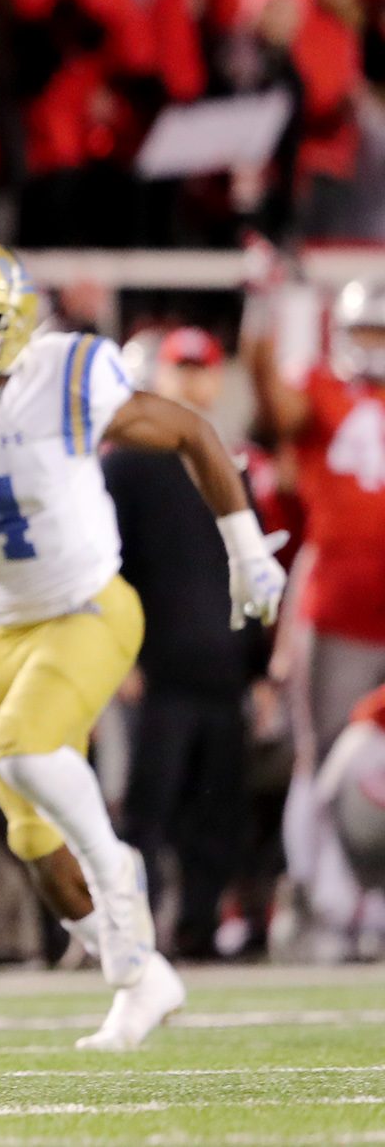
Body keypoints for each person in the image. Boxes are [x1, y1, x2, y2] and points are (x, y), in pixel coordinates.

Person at [0, 241, 288, 1050]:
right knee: (31, 837)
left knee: (22, 749)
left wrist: (245, 550)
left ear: (16, 322)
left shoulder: (64, 375)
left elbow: (194, 433)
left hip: (89, 605)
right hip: (0, 626)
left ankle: (120, 874)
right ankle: (139, 977)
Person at [104, 327, 265, 961]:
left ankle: (196, 928)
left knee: (216, 812)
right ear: (158, 376)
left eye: (204, 368)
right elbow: (106, 564)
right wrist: (120, 656)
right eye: (183, 367)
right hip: (158, 668)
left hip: (222, 670)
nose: (195, 380)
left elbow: (248, 566)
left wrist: (255, 664)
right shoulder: (126, 463)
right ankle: (136, 931)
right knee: (148, 808)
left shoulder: (227, 460)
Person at [247, 280, 385, 960]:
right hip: (338, 606)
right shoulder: (322, 393)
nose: (376, 349)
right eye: (368, 333)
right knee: (321, 758)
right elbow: (272, 396)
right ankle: (324, 897)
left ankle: (365, 900)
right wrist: (262, 318)